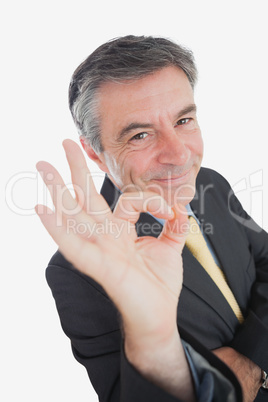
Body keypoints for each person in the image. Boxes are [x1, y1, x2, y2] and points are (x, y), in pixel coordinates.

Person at [36, 36, 268, 401]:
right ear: (95, 155)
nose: (178, 154)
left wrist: (250, 361)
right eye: (140, 134)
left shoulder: (211, 184)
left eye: (184, 120)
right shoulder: (79, 272)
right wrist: (153, 337)